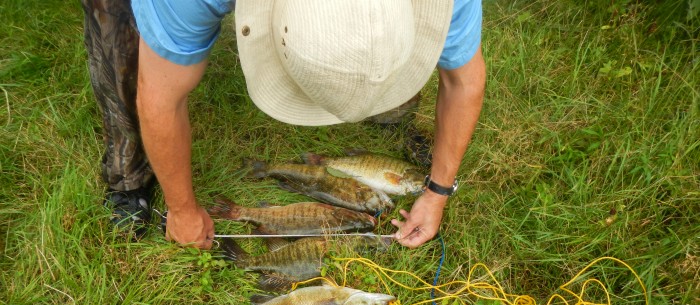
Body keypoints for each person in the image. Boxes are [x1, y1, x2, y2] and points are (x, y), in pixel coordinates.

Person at [81, 0, 485, 249]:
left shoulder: (451, 4)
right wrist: (182, 208)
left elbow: (464, 81)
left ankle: (373, 93)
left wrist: (437, 192)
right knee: (121, 41)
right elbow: (160, 97)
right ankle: (129, 175)